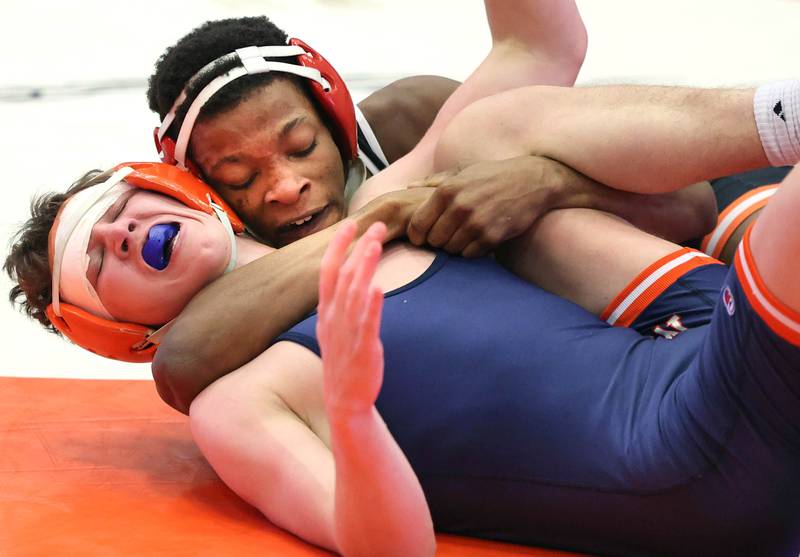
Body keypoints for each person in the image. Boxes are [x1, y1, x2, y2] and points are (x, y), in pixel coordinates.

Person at [7, 79, 800, 555]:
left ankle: (756, 177)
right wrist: (351, 410)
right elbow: (393, 547)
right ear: (121, 333)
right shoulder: (237, 397)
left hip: (699, 338)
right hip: (688, 447)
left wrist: (538, 184)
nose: (115, 232)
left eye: (117, 207)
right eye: (97, 261)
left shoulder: (376, 202)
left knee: (486, 151)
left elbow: (536, 51)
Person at [145, 1, 718, 412]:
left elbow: (693, 205)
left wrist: (547, 184)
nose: (286, 186)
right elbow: (181, 364)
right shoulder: (202, 249)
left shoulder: (414, 126)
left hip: (686, 294)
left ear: (337, 118)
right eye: (239, 177)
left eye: (302, 147)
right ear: (200, 186)